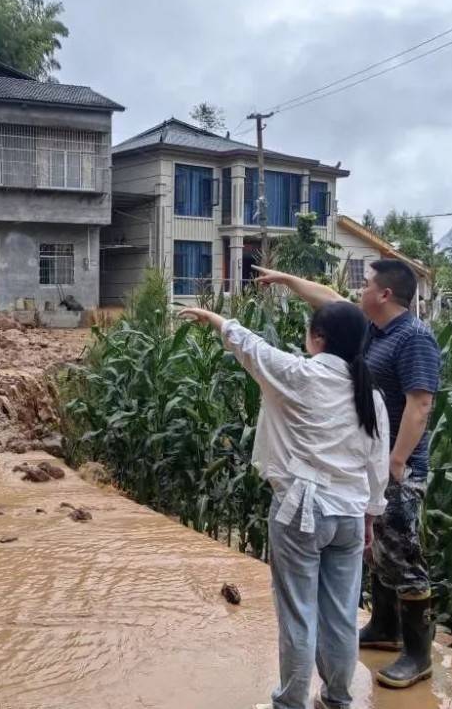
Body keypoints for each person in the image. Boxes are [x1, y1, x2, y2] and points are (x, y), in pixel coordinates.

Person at [179, 301, 389, 709]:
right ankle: (337, 699)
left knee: (298, 613)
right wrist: (370, 518)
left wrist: (216, 319)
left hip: (301, 511)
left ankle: (291, 703)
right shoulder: (371, 395)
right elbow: (377, 468)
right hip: (348, 514)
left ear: (318, 338)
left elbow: (250, 346)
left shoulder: (298, 374)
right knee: (342, 615)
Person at [253, 260, 442, 689]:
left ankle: (418, 654)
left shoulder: (413, 338)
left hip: (394, 465)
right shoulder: (372, 330)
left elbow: (421, 404)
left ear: (384, 295)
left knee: (404, 555)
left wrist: (395, 463)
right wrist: (286, 279)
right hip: (365, 464)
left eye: (367, 284)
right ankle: (384, 628)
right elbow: (330, 300)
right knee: (379, 552)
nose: (359, 290)